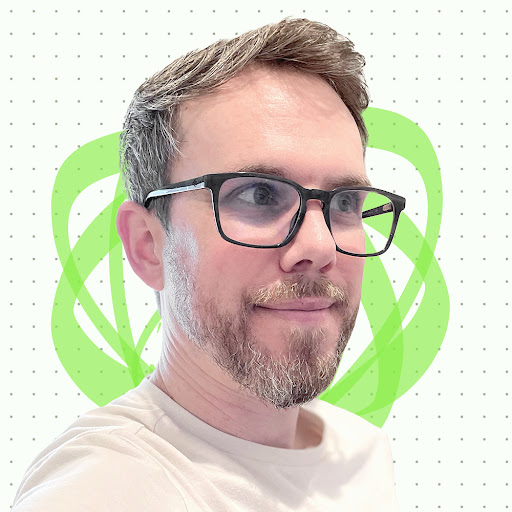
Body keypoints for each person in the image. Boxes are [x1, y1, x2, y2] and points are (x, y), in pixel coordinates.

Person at [12, 18, 405, 511]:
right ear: (148, 245)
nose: (320, 246)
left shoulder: (362, 453)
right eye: (259, 195)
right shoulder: (105, 489)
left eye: (345, 202)